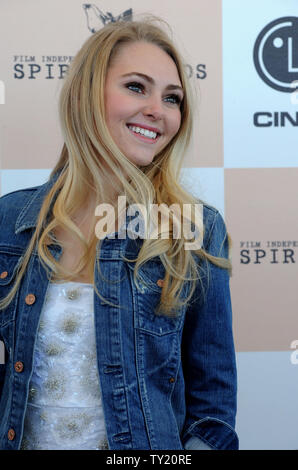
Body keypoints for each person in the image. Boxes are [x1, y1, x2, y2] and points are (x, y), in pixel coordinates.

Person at [0, 18, 238, 450]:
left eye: (172, 98)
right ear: (86, 94)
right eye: (135, 87)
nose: (158, 110)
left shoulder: (195, 228)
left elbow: (213, 412)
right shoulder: (10, 219)